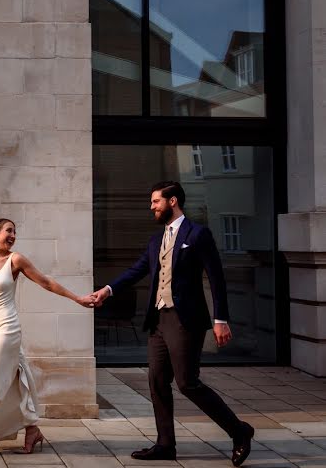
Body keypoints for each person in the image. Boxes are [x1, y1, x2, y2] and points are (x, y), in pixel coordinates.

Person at [91, 181, 254, 467]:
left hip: (185, 320)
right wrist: (108, 289)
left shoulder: (198, 234)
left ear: (173, 201)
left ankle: (239, 431)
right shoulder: (156, 240)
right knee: (156, 381)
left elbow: (216, 277)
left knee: (187, 383)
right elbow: (137, 270)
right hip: (158, 320)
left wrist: (221, 319)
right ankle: (165, 444)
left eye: (156, 201)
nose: (151, 206)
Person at [0, 218, 96, 456]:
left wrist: (77, 298)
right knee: (17, 378)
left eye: (15, 232)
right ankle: (32, 430)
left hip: (7, 329)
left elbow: (46, 282)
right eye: (9, 231)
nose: (13, 235)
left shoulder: (15, 260)